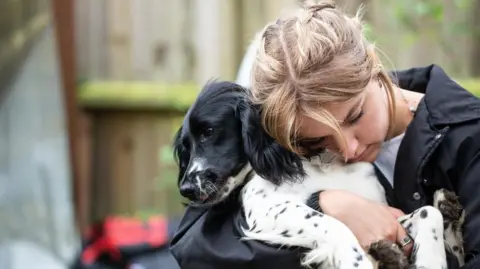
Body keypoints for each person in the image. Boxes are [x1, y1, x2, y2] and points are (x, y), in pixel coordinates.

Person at [170, 1, 480, 268]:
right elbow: (193, 246)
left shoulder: (469, 138)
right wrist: (326, 206)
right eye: (318, 141)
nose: (347, 150)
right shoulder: (287, 147)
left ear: (372, 65)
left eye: (355, 116)